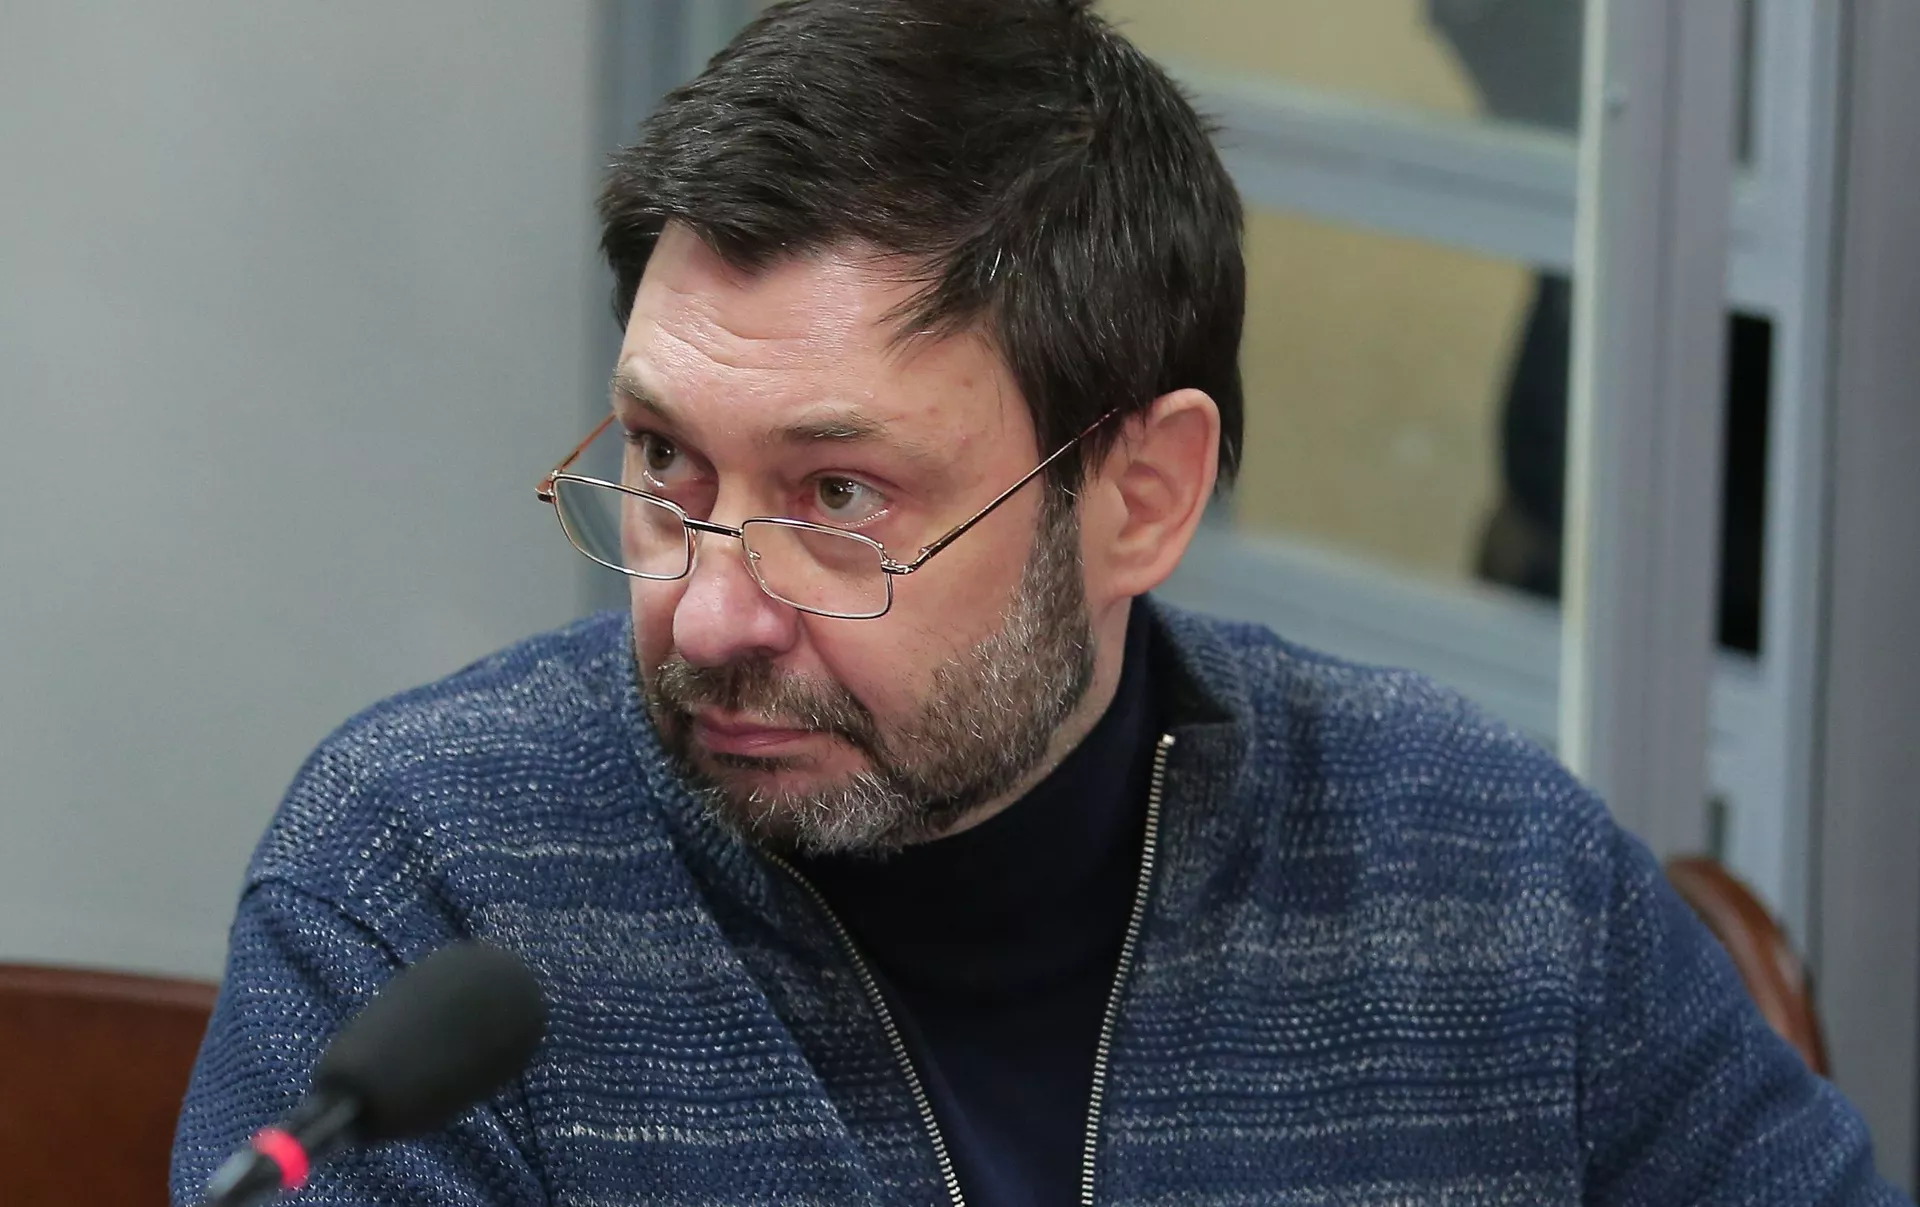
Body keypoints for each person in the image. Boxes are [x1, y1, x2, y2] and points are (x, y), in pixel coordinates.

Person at [171, 2, 1910, 1204]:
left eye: (841, 498)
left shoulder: (1488, 872)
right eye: (668, 463)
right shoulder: (426, 882)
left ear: (1140, 495)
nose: (707, 616)